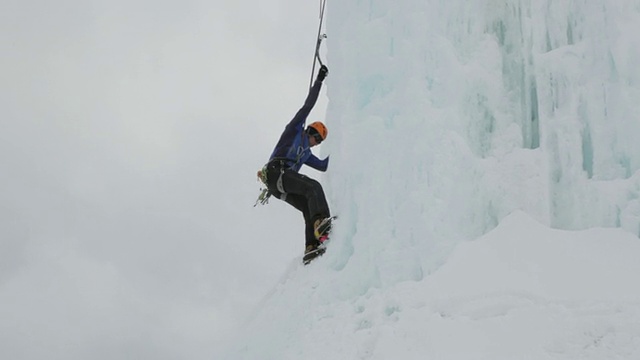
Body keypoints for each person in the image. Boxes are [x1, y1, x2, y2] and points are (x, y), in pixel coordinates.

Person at [260, 65, 332, 263]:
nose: (316, 142)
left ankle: (311, 246)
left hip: (280, 188)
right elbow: (307, 107)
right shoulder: (294, 132)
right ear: (310, 131)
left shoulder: (306, 154)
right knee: (313, 187)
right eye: (316, 137)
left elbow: (324, 165)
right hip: (277, 172)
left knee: (308, 205)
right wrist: (319, 81)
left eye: (319, 141)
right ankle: (321, 222)